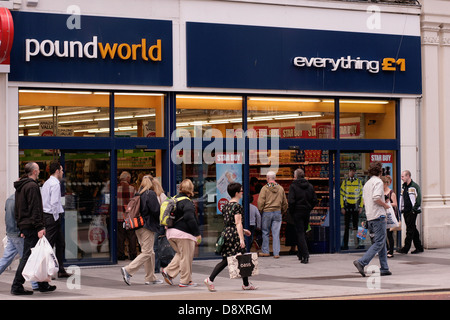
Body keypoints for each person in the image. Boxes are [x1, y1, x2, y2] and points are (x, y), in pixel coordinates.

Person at [11, 162, 56, 295]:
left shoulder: (21, 187)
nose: (40, 171)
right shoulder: (32, 186)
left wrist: (21, 227)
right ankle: (17, 285)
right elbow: (35, 208)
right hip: (32, 226)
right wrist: (40, 227)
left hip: (26, 226)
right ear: (35, 171)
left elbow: (17, 209)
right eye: (38, 169)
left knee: (37, 255)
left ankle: (42, 284)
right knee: (28, 256)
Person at [204, 182, 256, 292]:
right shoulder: (237, 206)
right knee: (240, 258)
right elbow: (237, 223)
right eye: (241, 191)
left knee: (228, 259)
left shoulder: (226, 206)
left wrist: (244, 230)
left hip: (227, 233)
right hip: (234, 235)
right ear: (237, 193)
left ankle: (245, 284)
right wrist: (242, 238)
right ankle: (210, 279)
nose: (242, 193)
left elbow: (230, 222)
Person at [120, 175, 163, 286]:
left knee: (150, 252)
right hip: (147, 226)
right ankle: (128, 270)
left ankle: (150, 277)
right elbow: (156, 210)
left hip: (138, 226)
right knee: (147, 252)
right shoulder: (150, 194)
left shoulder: (139, 194)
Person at [353, 162, 392, 277]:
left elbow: (365, 200)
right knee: (379, 242)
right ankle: (362, 262)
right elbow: (376, 198)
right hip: (378, 216)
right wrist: (385, 205)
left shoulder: (367, 184)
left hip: (370, 216)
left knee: (381, 242)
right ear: (380, 171)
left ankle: (384, 267)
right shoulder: (378, 182)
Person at [161, 179, 201, 287]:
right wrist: (197, 233)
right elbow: (189, 218)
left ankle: (168, 272)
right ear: (191, 189)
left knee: (181, 254)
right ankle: (185, 281)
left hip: (170, 233)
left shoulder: (174, 199)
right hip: (183, 234)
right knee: (186, 257)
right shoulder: (187, 202)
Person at [41, 161, 70, 278]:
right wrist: (56, 218)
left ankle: (60, 269)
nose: (63, 172)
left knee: (60, 243)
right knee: (49, 245)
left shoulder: (47, 183)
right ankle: (46, 271)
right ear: (57, 171)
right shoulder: (55, 184)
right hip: (52, 217)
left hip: (48, 216)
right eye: (61, 170)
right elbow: (54, 203)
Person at [288, 168, 318, 264]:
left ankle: (305, 254)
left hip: (297, 212)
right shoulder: (310, 186)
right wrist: (309, 208)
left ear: (296, 176)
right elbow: (314, 200)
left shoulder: (293, 186)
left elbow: (291, 201)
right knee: (303, 232)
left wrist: (292, 211)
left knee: (300, 233)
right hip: (306, 212)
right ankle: (300, 253)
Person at [257, 171, 288, 258]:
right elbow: (285, 203)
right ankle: (276, 253)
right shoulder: (281, 188)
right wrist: (282, 211)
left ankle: (266, 251)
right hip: (277, 212)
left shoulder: (264, 188)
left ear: (267, 178)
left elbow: (260, 202)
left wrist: (261, 210)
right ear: (275, 178)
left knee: (265, 232)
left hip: (267, 212)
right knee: (276, 233)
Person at [398, 170, 423, 254]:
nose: (401, 178)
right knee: (413, 229)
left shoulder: (414, 186)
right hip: (405, 211)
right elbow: (402, 199)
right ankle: (419, 247)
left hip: (412, 211)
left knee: (409, 230)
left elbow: (418, 199)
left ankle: (406, 248)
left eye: (403, 176)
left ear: (408, 176)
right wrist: (401, 209)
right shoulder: (404, 187)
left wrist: (414, 210)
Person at [340, 162, 364, 250]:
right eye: (350, 170)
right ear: (348, 171)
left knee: (356, 226)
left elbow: (362, 195)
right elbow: (341, 195)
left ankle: (357, 244)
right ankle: (345, 245)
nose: (352, 172)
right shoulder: (345, 182)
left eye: (353, 171)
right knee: (346, 226)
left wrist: (361, 206)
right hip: (347, 206)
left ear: (355, 172)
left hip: (356, 206)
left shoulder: (358, 182)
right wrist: (342, 207)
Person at [117, 171, 137, 260]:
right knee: (131, 236)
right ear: (128, 178)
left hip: (119, 216)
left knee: (120, 237)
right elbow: (136, 202)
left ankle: (120, 255)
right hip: (130, 217)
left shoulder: (115, 188)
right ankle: (132, 254)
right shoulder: (132, 189)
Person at [382, 175, 398, 258]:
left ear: (386, 184)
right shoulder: (381, 192)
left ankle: (391, 251)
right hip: (383, 215)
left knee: (389, 234)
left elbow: (395, 204)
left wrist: (387, 204)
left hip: (390, 215)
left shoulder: (391, 192)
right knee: (383, 234)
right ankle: (386, 249)